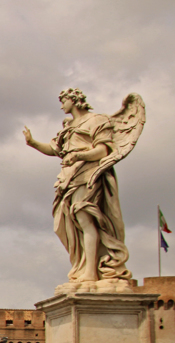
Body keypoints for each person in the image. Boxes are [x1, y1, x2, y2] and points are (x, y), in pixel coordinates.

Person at [23, 88, 134, 286]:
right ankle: (82, 267)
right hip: (69, 177)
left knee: (84, 218)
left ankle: (91, 271)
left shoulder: (97, 120)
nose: (61, 105)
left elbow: (103, 150)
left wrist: (79, 155)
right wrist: (32, 143)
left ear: (73, 100)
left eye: (63, 100)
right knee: (66, 224)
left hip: (89, 173)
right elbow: (56, 149)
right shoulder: (68, 126)